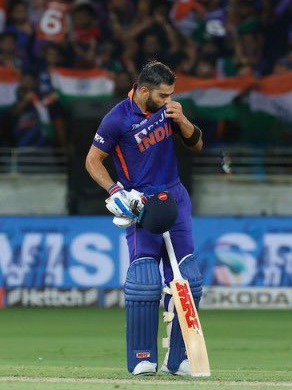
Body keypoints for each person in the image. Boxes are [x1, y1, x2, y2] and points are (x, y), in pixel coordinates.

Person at [84, 61, 204, 377]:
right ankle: (142, 358)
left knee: (188, 280)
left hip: (175, 197)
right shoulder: (117, 119)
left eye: (172, 95)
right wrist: (114, 189)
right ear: (144, 90)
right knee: (145, 281)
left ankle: (179, 360)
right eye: (163, 96)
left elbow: (197, 144)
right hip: (142, 204)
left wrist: (184, 120)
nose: (169, 100)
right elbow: (92, 160)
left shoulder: (170, 110)